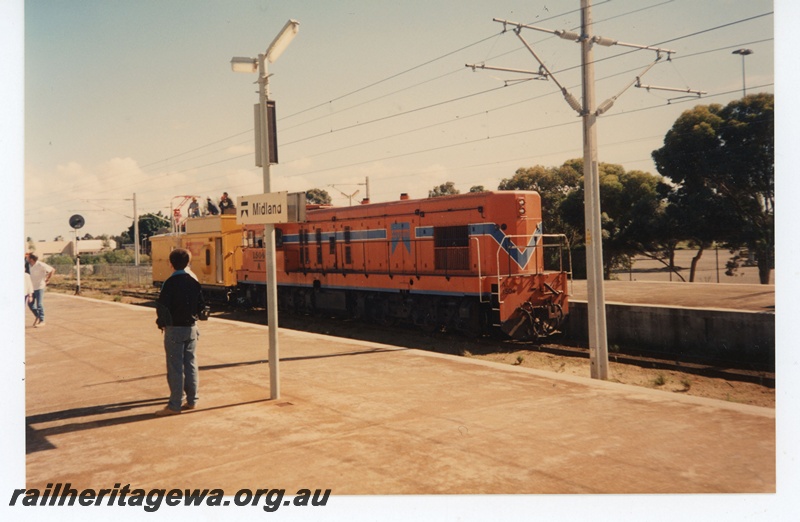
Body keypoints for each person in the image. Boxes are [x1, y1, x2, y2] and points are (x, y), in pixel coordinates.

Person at [154, 248, 206, 417]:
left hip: (174, 329)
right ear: (188, 263)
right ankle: (192, 401)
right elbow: (201, 307)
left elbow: (162, 307)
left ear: (171, 264)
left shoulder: (169, 283)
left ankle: (174, 405)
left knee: (175, 367)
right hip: (191, 328)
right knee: (191, 364)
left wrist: (162, 323)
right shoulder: (193, 282)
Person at [27, 253, 55, 327]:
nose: (27, 258)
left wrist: (47, 279)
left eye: (28, 257)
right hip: (32, 287)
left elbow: (52, 270)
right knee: (30, 304)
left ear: (31, 259)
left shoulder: (40, 264)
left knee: (39, 304)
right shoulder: (29, 265)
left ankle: (42, 321)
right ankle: (38, 316)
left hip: (40, 287)